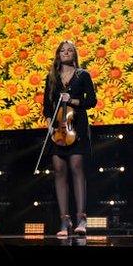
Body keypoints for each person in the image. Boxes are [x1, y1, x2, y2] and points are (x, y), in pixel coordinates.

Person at [42, 41, 97, 237]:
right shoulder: (51, 78)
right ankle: (64, 221)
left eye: (70, 50)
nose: (66, 53)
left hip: (77, 127)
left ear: (74, 55)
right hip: (57, 129)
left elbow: (92, 101)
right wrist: (50, 127)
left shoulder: (83, 75)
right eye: (62, 50)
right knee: (58, 171)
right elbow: (47, 107)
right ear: (58, 55)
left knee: (76, 167)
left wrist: (72, 100)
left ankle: (81, 218)